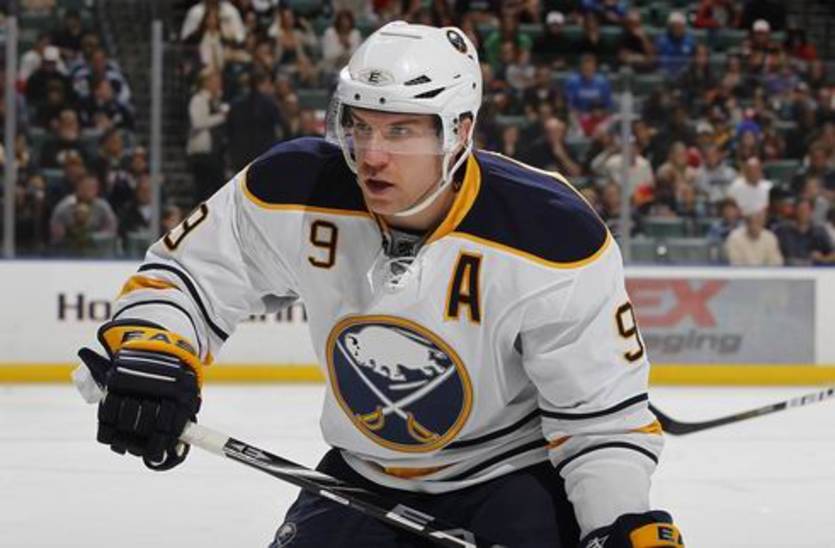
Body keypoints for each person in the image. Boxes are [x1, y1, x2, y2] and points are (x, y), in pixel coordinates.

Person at [73, 22, 681, 548]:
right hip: (362, 475)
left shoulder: (550, 233)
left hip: (509, 476)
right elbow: (186, 277)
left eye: (400, 131)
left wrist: (619, 523)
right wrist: (155, 344)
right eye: (359, 126)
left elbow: (601, 425)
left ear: (459, 131)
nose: (370, 156)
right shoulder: (295, 188)